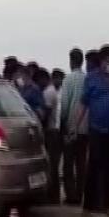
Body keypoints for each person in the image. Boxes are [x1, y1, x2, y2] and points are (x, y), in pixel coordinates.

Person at [76, 45, 109, 217]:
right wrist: (75, 124)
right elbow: (83, 103)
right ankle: (88, 207)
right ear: (101, 62)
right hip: (97, 130)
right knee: (93, 168)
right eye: (107, 61)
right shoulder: (92, 79)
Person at [60, 49, 87, 206]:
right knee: (81, 164)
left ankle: (71, 196)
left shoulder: (68, 80)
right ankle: (80, 194)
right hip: (85, 128)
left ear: (71, 61)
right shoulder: (87, 79)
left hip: (71, 128)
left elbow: (64, 105)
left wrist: (63, 124)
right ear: (82, 61)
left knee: (68, 164)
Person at [38, 68, 61, 203]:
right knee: (53, 164)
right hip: (54, 130)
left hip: (50, 131)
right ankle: (54, 195)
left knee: (51, 165)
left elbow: (46, 113)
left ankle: (52, 196)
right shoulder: (53, 91)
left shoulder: (48, 92)